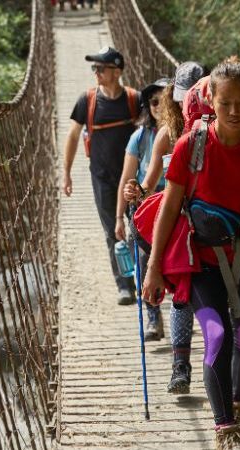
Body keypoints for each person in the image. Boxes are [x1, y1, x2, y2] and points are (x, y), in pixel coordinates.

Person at [142, 57, 240, 449]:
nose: (234, 111)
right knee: (216, 335)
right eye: (225, 102)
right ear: (210, 98)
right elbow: (170, 207)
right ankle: (224, 428)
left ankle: (239, 404)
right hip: (203, 260)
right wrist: (154, 266)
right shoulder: (189, 146)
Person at [124, 61, 206, 395]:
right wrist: (136, 193)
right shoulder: (167, 136)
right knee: (183, 297)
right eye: (187, 99)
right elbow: (147, 184)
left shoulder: (224, 130)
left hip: (213, 226)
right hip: (178, 227)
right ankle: (180, 368)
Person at [63, 46, 140, 305]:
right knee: (113, 232)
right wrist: (66, 173)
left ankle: (143, 276)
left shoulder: (134, 100)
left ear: (117, 72)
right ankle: (125, 285)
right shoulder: (87, 101)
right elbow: (73, 136)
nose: (96, 72)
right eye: (94, 68)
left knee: (140, 229)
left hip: (134, 179)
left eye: (101, 68)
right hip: (103, 179)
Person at [115, 78, 170, 340]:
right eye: (153, 101)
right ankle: (153, 319)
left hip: (176, 201)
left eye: (164, 99)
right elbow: (127, 178)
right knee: (144, 262)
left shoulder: (186, 132)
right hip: (147, 205)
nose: (159, 106)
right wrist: (119, 217)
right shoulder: (140, 136)